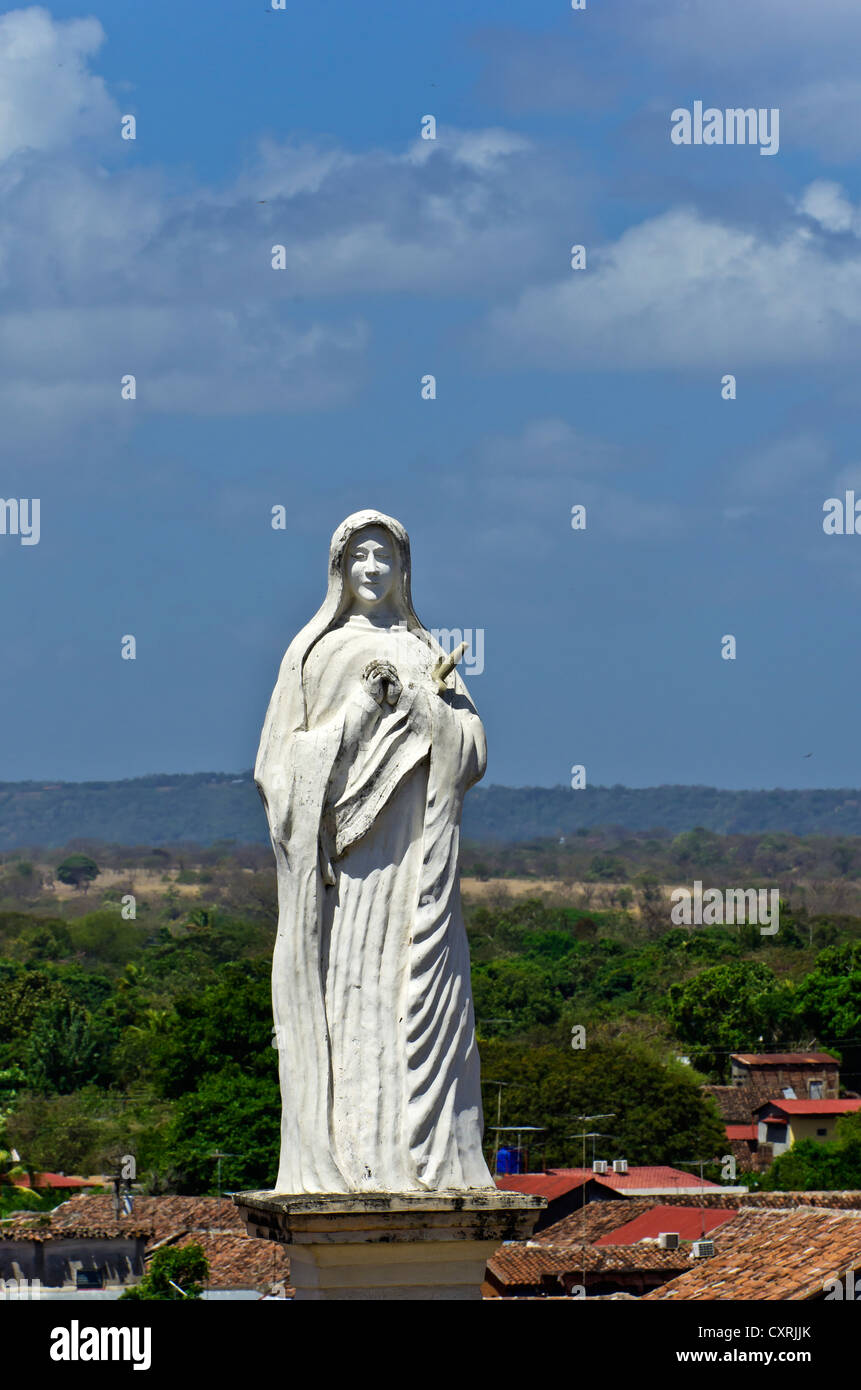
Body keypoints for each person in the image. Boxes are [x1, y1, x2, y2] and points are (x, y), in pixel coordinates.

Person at [255, 510, 495, 1194]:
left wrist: (428, 712)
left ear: (402, 569)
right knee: (352, 1001)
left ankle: (424, 1157)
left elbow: (471, 749)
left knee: (416, 995)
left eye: (382, 556)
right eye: (358, 555)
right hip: (346, 878)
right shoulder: (313, 655)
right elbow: (279, 771)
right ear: (338, 567)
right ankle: (351, 1153)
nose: (371, 568)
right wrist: (359, 710)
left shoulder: (425, 650)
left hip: (419, 861)